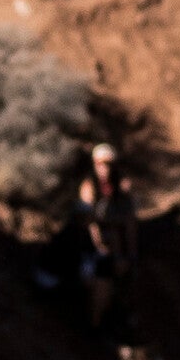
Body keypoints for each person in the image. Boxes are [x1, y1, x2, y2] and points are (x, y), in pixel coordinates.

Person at [69, 141, 140, 336]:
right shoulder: (89, 187)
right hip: (89, 246)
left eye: (108, 164)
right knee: (99, 281)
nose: (104, 168)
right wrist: (101, 244)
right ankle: (93, 324)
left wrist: (129, 253)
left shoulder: (120, 189)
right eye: (101, 163)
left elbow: (128, 222)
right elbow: (89, 221)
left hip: (112, 246)